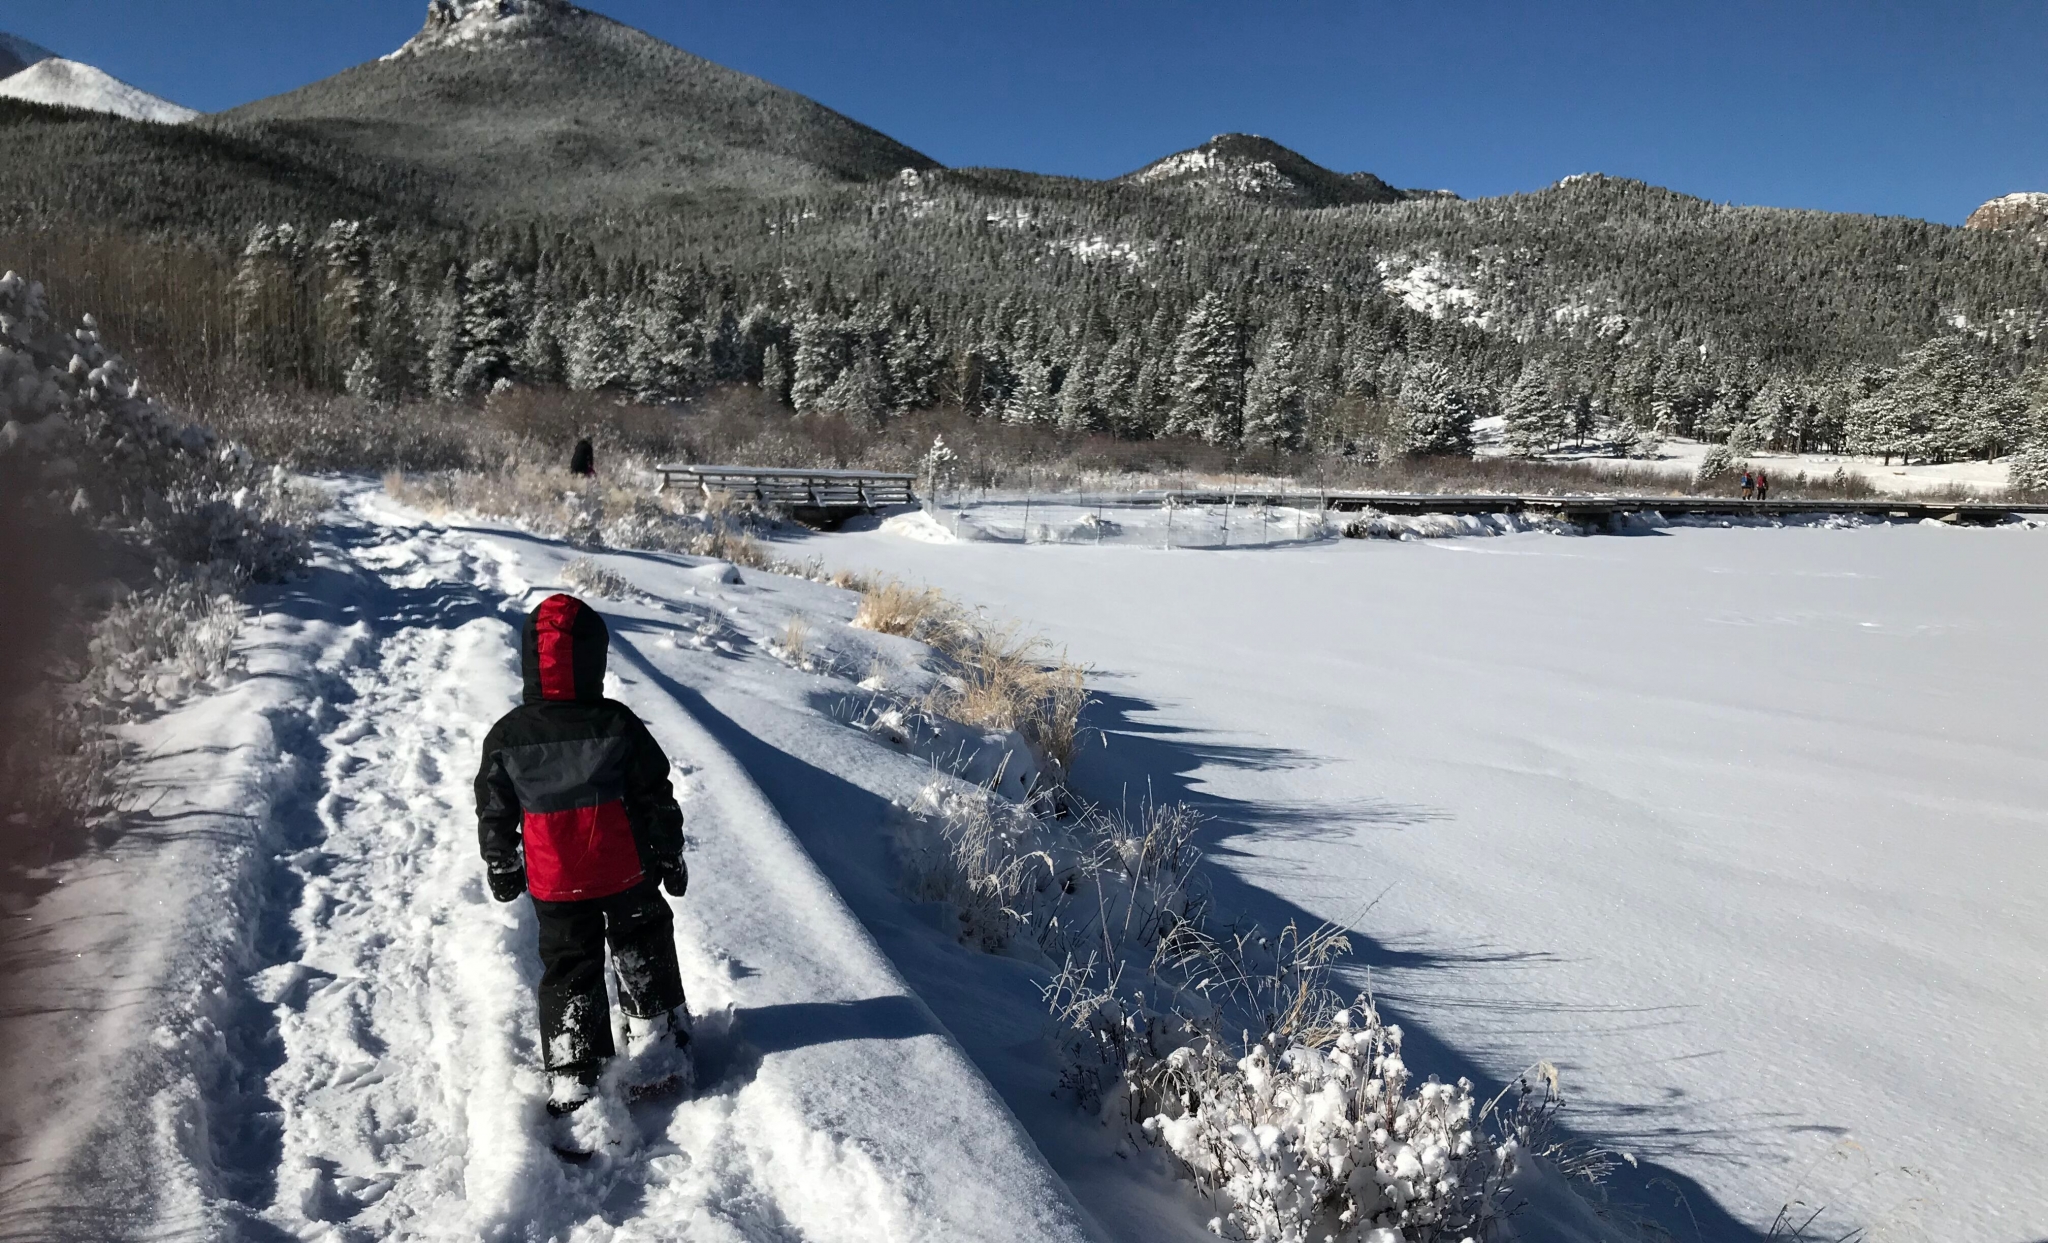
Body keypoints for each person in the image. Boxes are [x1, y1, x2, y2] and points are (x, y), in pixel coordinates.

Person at [475, 593, 691, 1118]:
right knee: (641, 943)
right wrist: (668, 853)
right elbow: (654, 793)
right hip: (624, 871)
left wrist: (502, 862)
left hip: (555, 881)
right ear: (596, 657)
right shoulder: (617, 723)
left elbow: (494, 809)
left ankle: (574, 1071)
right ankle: (656, 1040)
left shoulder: (508, 735)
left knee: (570, 964)